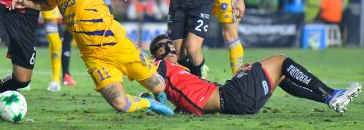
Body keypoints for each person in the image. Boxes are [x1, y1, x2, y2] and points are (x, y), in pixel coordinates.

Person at [10, 0, 174, 116]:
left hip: (116, 43)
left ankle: (160, 88)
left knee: (159, 86)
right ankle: (147, 103)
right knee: (121, 104)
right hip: (93, 57)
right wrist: (28, 4)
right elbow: (48, 5)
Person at [149, 34, 362, 115]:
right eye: (163, 46)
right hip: (232, 98)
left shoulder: (178, 73)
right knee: (281, 60)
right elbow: (145, 71)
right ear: (157, 53)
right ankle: (332, 95)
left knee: (281, 76)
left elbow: (186, 97)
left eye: (170, 43)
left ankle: (330, 96)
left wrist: (239, 76)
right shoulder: (160, 65)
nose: (170, 47)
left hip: (231, 98)